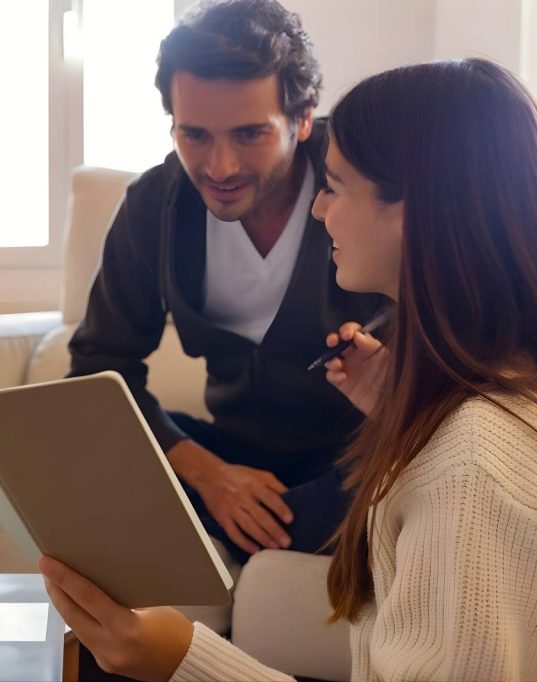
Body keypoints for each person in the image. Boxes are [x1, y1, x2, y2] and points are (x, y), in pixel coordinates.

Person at [42, 58, 537, 681]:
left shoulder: (476, 474)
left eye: (333, 186)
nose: (318, 210)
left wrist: (183, 659)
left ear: (411, 210)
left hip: (333, 471)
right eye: (195, 134)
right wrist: (398, 407)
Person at [68, 0, 382, 562]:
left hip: (354, 461)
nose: (220, 167)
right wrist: (210, 475)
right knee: (76, 451)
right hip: (229, 453)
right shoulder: (152, 207)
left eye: (249, 134)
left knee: (351, 502)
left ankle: (257, 541)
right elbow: (98, 370)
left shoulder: (366, 185)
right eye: (195, 135)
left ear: (302, 118)